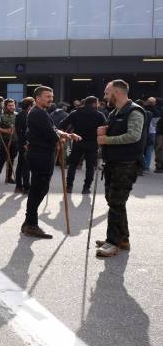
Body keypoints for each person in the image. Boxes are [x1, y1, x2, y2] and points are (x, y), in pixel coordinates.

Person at [94, 80, 149, 257]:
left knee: (116, 203)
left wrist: (106, 140)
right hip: (114, 163)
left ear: (116, 92)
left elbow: (134, 136)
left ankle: (113, 242)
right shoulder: (115, 111)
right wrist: (105, 131)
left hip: (126, 164)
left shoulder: (134, 111)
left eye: (106, 92)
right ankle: (122, 238)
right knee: (114, 200)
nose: (104, 96)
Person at [22, 86, 81, 239]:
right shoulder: (37, 113)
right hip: (39, 155)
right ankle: (31, 225)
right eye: (47, 96)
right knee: (38, 190)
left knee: (40, 189)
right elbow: (51, 134)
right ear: (38, 98)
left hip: (43, 154)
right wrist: (59, 138)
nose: (51, 99)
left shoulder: (42, 112)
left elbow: (54, 129)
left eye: (52, 96)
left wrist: (67, 135)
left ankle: (29, 222)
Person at [58, 96, 106, 194]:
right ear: (94, 103)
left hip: (78, 141)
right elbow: (106, 128)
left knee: (73, 164)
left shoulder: (75, 113)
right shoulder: (99, 115)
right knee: (90, 167)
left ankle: (69, 186)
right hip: (93, 143)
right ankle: (86, 188)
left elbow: (62, 124)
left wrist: (64, 134)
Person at [0, 99, 17, 185]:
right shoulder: (1, 116)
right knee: (2, 159)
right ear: (5, 106)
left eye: (13, 105)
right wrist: (7, 131)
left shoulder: (17, 115)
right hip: (4, 140)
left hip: (15, 140)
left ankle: (9, 177)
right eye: (10, 105)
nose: (12, 107)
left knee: (11, 159)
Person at [14, 97, 34, 194]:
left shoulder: (19, 114)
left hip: (21, 143)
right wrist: (26, 143)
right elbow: (24, 131)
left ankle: (18, 185)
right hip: (25, 144)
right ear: (30, 105)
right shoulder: (26, 115)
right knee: (25, 166)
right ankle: (26, 187)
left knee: (20, 164)